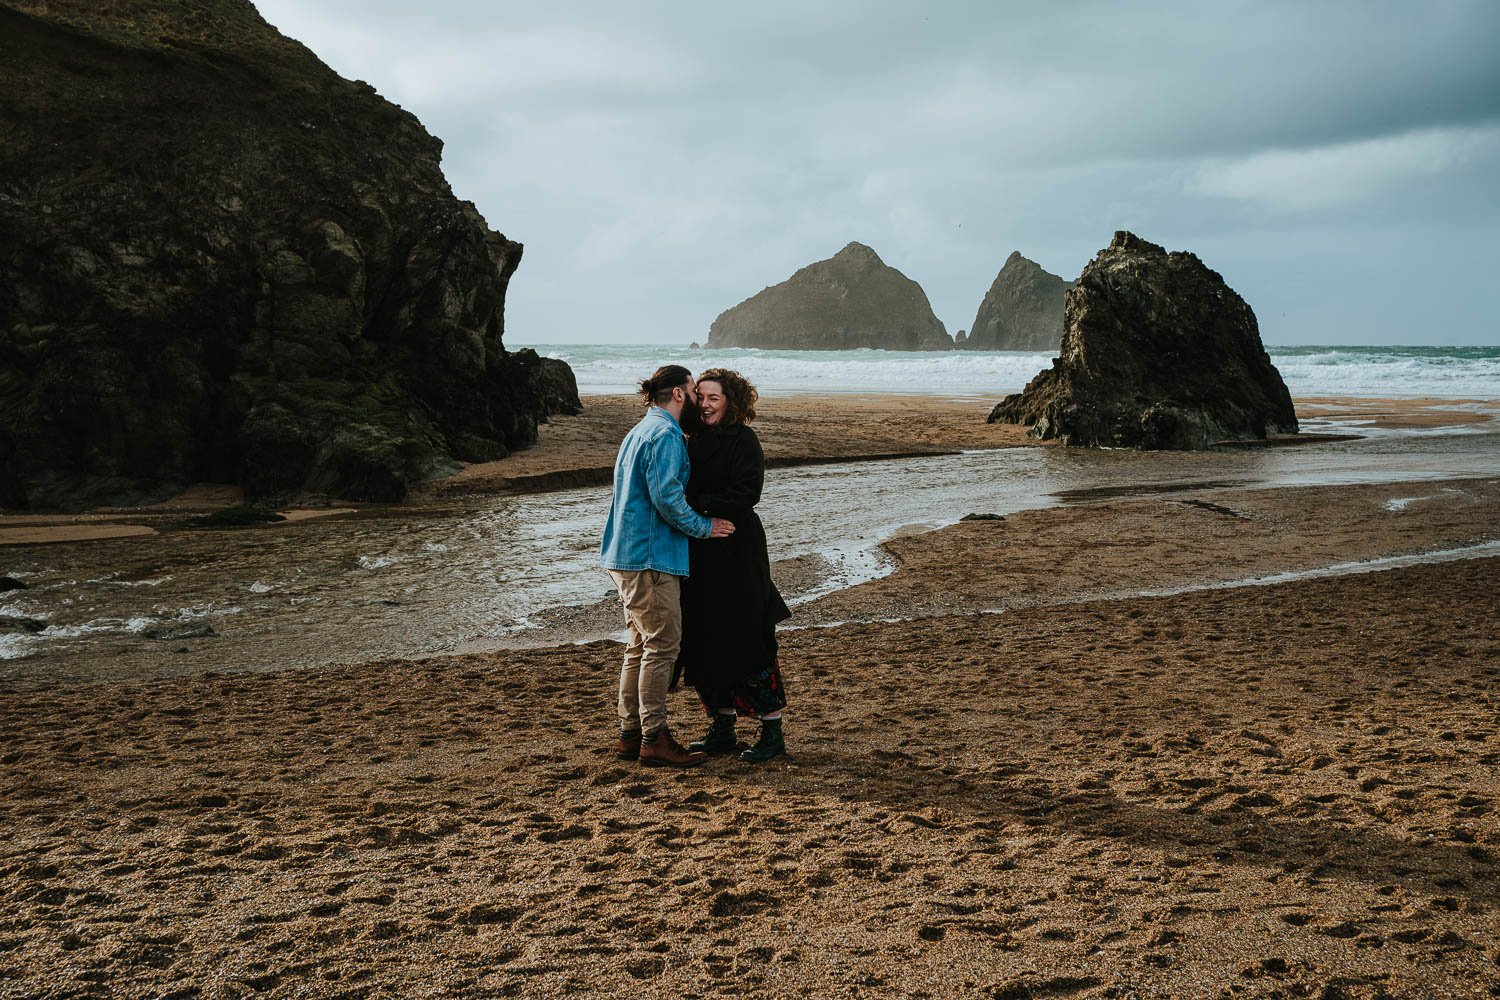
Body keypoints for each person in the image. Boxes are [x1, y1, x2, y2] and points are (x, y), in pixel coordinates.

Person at [601, 365, 735, 768]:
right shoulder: (665, 435)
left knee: (639, 646)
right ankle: (654, 738)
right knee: (662, 646)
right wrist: (704, 527)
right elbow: (667, 498)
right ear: (678, 393)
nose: (697, 399)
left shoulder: (639, 430)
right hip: (651, 557)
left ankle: (631, 736)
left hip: (626, 554)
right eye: (694, 391)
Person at [676, 368, 792, 763]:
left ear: (731, 402)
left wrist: (700, 506)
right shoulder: (689, 440)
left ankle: (772, 732)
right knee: (705, 639)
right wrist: (698, 516)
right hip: (700, 549)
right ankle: (722, 729)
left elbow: (748, 492)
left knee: (749, 638)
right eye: (701, 397)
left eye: (714, 398)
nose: (705, 405)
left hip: (737, 547)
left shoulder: (744, 439)